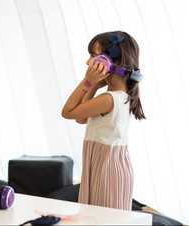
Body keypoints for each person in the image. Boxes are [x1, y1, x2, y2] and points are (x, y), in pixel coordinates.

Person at [61, 31, 146, 210]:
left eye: (93, 55)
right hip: (105, 167)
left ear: (108, 62)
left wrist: (86, 82)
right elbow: (81, 118)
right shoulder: (115, 96)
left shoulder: (108, 99)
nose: (88, 62)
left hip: (107, 171)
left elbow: (68, 112)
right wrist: (93, 85)